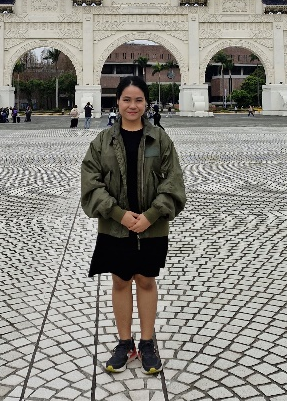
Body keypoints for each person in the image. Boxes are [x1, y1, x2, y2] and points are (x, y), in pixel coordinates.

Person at [81, 76, 186, 375]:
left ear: (146, 103)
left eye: (138, 100)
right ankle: (125, 343)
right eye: (126, 99)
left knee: (146, 280)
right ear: (117, 102)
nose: (132, 105)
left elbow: (173, 181)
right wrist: (118, 214)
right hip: (115, 226)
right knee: (120, 280)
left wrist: (151, 215)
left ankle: (148, 342)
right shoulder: (102, 141)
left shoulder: (160, 139)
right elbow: (91, 181)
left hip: (151, 226)